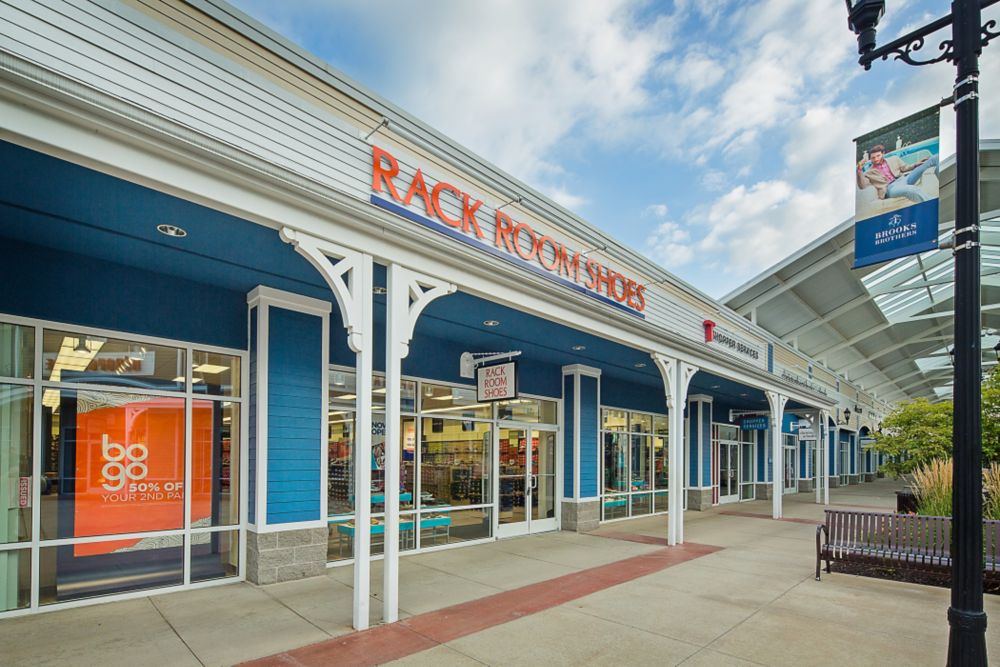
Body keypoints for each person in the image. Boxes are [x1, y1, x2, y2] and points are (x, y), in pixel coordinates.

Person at [857, 144, 938, 203]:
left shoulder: (894, 159)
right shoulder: (869, 172)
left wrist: (915, 164)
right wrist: (859, 170)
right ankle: (932, 204)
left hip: (905, 178)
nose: (876, 159)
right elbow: (862, 185)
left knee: (934, 158)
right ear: (870, 159)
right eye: (873, 158)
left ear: (883, 154)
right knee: (912, 189)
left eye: (878, 156)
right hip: (891, 188)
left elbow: (905, 168)